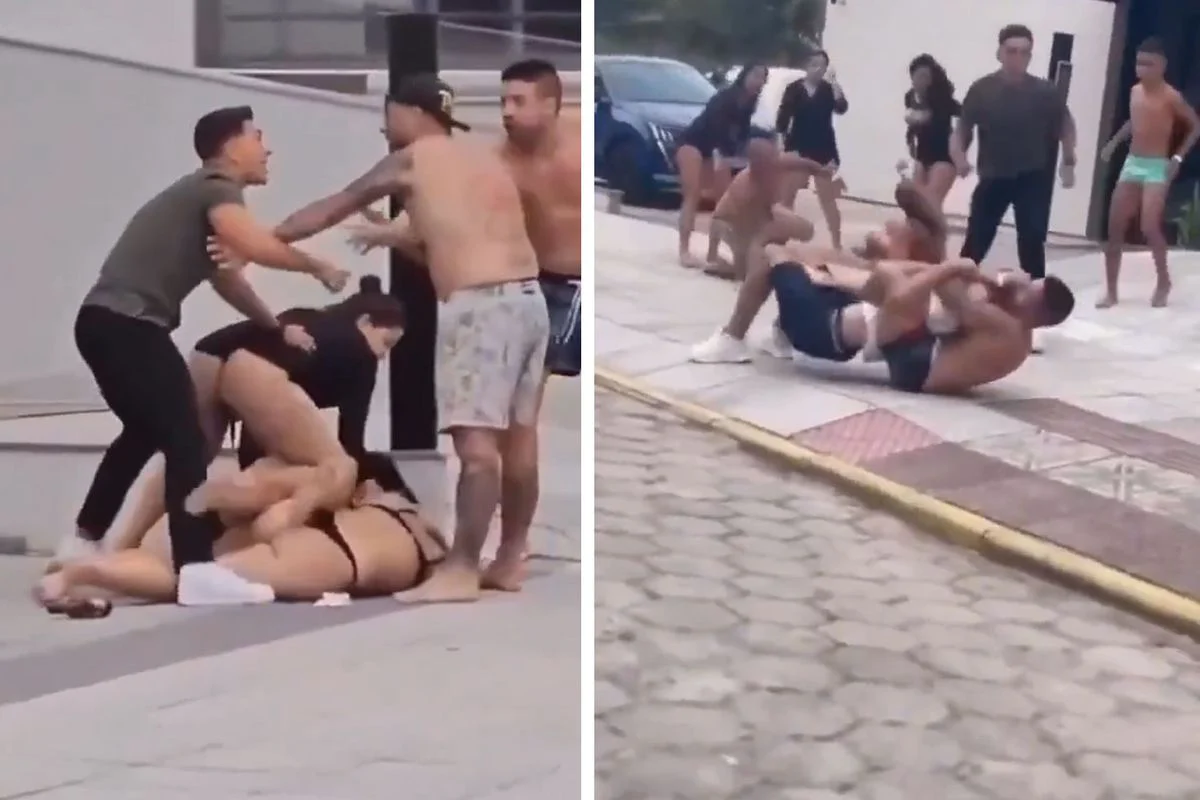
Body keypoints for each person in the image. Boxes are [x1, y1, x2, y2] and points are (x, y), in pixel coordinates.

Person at [254, 74, 549, 604]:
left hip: (481, 310)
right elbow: (444, 248)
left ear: (409, 112)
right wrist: (393, 236)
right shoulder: (483, 158)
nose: (384, 125)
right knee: (519, 442)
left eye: (387, 114)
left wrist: (261, 240)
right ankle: (508, 560)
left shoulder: (409, 159)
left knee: (477, 449)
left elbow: (330, 207)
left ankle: (460, 571)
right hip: (529, 303)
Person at [64, 105, 350, 607]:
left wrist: (273, 327)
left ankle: (82, 542)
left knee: (146, 431)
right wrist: (316, 266)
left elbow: (227, 278)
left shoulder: (199, 201)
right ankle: (195, 569)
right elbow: (252, 244)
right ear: (230, 147)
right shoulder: (215, 187)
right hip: (127, 325)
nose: (267, 148)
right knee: (186, 438)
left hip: (105, 324)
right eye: (257, 136)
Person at [106, 278, 407, 555]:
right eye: (387, 343)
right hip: (252, 371)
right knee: (337, 467)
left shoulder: (308, 318)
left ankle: (125, 543)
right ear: (365, 322)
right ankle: (236, 524)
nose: (383, 355)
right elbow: (351, 440)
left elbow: (262, 420)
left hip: (209, 354)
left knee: (189, 459)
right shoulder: (360, 353)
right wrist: (382, 484)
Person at [35, 453, 446, 613]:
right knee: (189, 581)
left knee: (187, 566)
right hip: (335, 556)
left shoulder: (353, 498)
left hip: (304, 534)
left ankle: (87, 570)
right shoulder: (413, 520)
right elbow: (454, 563)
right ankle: (81, 574)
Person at [692, 180, 940, 363]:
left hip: (819, 330)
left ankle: (732, 338)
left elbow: (922, 233)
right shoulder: (882, 269)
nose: (880, 232)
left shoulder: (899, 273)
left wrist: (822, 274)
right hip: (829, 329)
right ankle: (779, 335)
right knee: (802, 257)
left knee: (770, 254)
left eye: (887, 235)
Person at [952, 24, 1077, 352]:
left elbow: (1066, 124)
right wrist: (959, 157)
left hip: (1032, 177)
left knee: (1032, 241)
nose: (1018, 57)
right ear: (1000, 52)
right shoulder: (982, 90)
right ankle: (954, 306)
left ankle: (1035, 320)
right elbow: (962, 128)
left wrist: (1069, 159)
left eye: (1024, 52)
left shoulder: (1045, 92)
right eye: (1011, 51)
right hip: (994, 176)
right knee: (976, 241)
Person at [1098, 37, 1200, 309]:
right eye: (1139, 63)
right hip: (1133, 162)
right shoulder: (1135, 92)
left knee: (1149, 225)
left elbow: (1195, 126)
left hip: (1157, 165)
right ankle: (1111, 291)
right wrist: (1114, 143)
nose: (1141, 69)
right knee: (1115, 226)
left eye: (1148, 64)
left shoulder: (1171, 96)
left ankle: (1164, 280)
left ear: (1162, 66)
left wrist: (1178, 157)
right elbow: (1134, 121)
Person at [675, 64, 768, 268]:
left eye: (763, 78)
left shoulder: (749, 104)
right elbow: (714, 125)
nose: (759, 81)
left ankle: (712, 253)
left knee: (721, 203)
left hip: (717, 150)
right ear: (744, 76)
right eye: (755, 75)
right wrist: (719, 152)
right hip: (693, 143)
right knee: (692, 196)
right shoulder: (725, 97)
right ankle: (684, 250)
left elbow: (742, 134)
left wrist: (742, 155)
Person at [702, 139, 824, 280]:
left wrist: (820, 170)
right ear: (755, 166)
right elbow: (756, 228)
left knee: (806, 229)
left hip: (763, 212)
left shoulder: (775, 164)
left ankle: (742, 261)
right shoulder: (745, 190)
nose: (773, 167)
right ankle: (722, 265)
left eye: (774, 160)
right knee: (747, 273)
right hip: (732, 222)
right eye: (767, 165)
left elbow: (800, 163)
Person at [776, 51, 849, 248]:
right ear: (806, 65)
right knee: (787, 195)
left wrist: (835, 86)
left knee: (827, 199)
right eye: (814, 64)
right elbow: (782, 119)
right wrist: (784, 147)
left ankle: (836, 242)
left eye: (822, 65)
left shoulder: (828, 89)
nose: (817, 69)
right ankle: (780, 236)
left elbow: (842, 108)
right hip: (799, 147)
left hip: (824, 148)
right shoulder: (794, 89)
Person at [903, 54, 961, 207]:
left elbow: (963, 112)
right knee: (918, 203)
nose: (920, 81)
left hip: (943, 156)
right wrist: (910, 141)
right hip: (923, 155)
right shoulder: (910, 97)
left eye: (925, 77)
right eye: (917, 76)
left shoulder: (942, 98)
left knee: (931, 202)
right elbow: (912, 127)